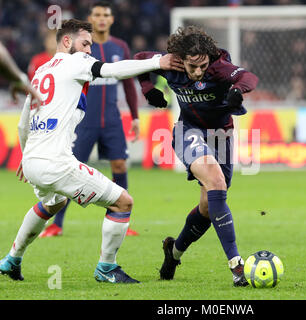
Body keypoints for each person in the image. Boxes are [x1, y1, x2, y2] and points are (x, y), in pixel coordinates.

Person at [0, 19, 183, 283]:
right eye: (85, 43)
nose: (89, 50)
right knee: (123, 202)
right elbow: (113, 70)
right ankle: (107, 268)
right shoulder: (75, 63)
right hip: (55, 163)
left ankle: (11, 259)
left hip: (32, 160)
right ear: (66, 41)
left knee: (54, 202)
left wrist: (26, 154)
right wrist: (157, 62)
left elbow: (23, 121)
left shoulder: (40, 72)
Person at [135, 26, 259, 286]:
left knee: (208, 205)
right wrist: (148, 89)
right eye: (193, 67)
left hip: (221, 134)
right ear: (180, 59)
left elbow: (248, 77)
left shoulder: (219, 66)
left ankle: (174, 252)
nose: (199, 72)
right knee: (216, 182)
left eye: (203, 65)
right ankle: (236, 265)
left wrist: (237, 91)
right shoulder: (171, 64)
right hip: (188, 130)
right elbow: (139, 60)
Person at [40, 1, 139, 237]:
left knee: (120, 165)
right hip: (84, 121)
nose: (102, 18)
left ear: (112, 19)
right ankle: (57, 223)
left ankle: (122, 219)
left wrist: (135, 116)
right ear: (91, 19)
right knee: (69, 171)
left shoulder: (120, 46)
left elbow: (127, 84)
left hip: (112, 120)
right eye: (97, 15)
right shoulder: (82, 51)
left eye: (106, 14)